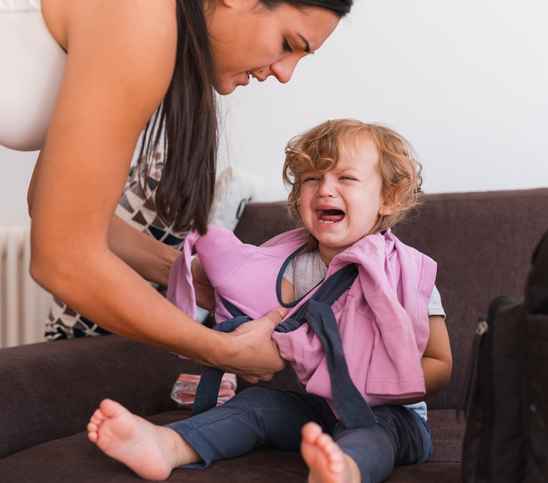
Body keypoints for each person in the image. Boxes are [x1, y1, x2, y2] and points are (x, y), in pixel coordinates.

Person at [0, 0, 352, 380]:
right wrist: (221, 350)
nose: (285, 74)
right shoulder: (139, 20)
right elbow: (64, 259)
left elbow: (48, 203)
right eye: (288, 43)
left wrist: (183, 272)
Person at [87, 119, 454, 483]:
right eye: (312, 178)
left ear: (388, 199)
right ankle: (168, 445)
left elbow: (440, 363)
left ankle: (345, 469)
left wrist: (371, 387)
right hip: (318, 409)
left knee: (374, 430)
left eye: (346, 177)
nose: (325, 189)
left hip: (393, 413)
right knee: (255, 404)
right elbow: (252, 313)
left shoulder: (408, 275)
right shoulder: (289, 268)